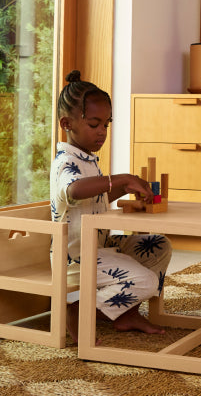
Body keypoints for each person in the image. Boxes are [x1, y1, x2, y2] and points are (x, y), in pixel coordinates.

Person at [51, 70, 173, 343]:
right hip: (76, 256)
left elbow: (96, 198)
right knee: (147, 281)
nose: (102, 132)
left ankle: (126, 312)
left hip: (102, 246)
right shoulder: (65, 162)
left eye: (106, 124)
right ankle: (80, 309)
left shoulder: (88, 159)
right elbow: (74, 189)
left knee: (158, 244)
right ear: (66, 123)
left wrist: (125, 188)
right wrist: (121, 178)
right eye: (94, 124)